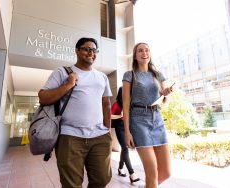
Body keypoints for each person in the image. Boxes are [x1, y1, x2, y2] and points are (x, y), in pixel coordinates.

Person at [38, 37, 112, 188]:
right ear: (77, 50)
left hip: (99, 136)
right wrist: (69, 84)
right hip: (70, 136)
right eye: (86, 49)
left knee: (102, 179)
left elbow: (106, 103)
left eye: (94, 50)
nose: (91, 53)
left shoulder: (102, 77)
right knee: (71, 184)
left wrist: (107, 130)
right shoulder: (63, 72)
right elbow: (43, 97)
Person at [122, 43, 173, 188]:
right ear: (135, 55)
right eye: (140, 51)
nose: (144, 53)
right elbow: (125, 105)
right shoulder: (130, 75)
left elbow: (165, 101)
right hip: (138, 121)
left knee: (166, 173)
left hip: (157, 119)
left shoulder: (158, 74)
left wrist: (166, 94)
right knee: (152, 173)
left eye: (147, 50)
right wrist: (127, 132)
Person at [111, 87, 140, 184]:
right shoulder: (116, 104)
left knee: (124, 148)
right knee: (125, 148)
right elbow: (109, 116)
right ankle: (132, 174)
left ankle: (120, 168)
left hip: (128, 128)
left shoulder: (129, 104)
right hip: (119, 127)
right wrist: (120, 115)